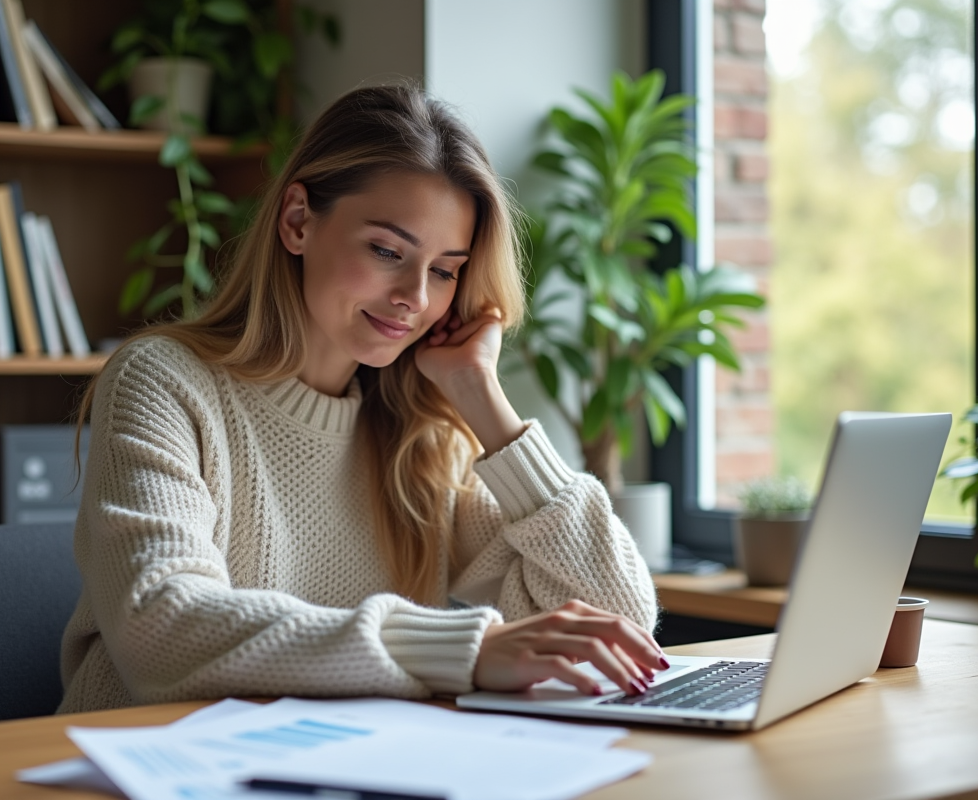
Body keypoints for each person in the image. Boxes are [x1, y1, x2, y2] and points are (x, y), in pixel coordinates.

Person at [58, 83, 664, 715]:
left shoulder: (422, 433)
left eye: (444, 270)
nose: (415, 298)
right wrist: (462, 648)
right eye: (386, 251)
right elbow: (161, 630)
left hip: (340, 764)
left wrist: (480, 396)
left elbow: (619, 620)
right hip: (145, 763)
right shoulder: (165, 383)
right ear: (298, 221)